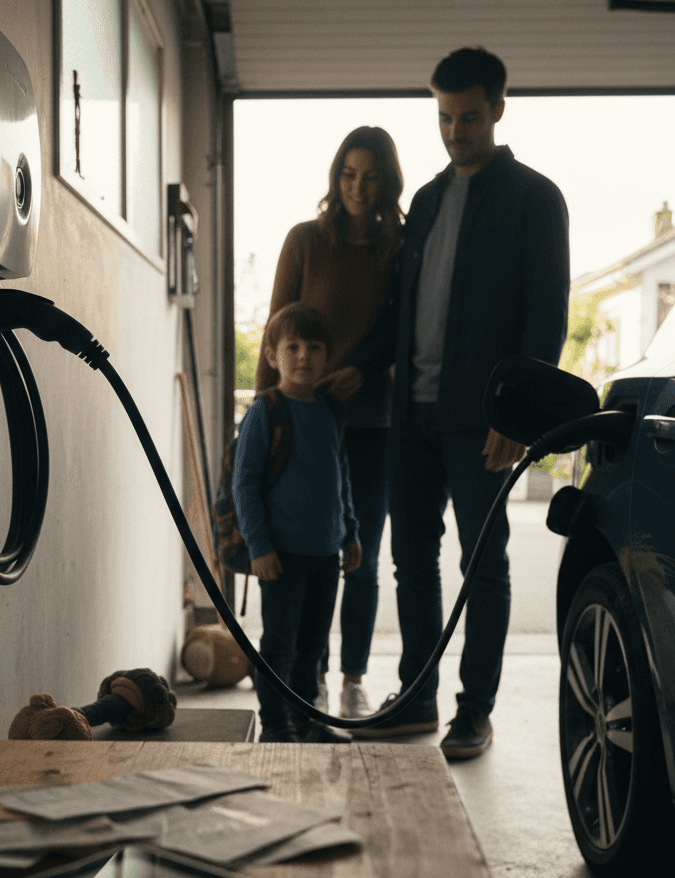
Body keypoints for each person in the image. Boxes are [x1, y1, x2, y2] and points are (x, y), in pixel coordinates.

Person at [351, 47, 570, 758]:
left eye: (468, 116)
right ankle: (416, 698)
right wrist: (354, 367)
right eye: (444, 116)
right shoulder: (428, 200)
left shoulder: (536, 198)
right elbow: (403, 307)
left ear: (498, 109)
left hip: (483, 425)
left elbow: (547, 315)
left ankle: (474, 710)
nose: (454, 131)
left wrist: (520, 415)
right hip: (409, 421)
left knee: (485, 565)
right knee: (411, 563)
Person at [255, 126, 403, 720]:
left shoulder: (399, 249)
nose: (358, 187)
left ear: (387, 182)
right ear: (334, 178)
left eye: (370, 176)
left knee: (357, 551)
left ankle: (352, 678)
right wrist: (264, 420)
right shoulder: (306, 242)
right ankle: (303, 677)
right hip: (299, 422)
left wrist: (363, 373)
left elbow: (399, 329)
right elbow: (276, 328)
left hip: (369, 424)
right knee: (299, 552)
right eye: (348, 174)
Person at [235, 302, 363, 743]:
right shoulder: (265, 413)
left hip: (327, 554)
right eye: (292, 347)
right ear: (273, 356)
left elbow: (340, 475)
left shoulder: (329, 411)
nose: (304, 356)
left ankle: (307, 720)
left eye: (314, 347)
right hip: (282, 556)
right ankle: (275, 724)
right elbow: (245, 484)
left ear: (328, 357)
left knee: (313, 647)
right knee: (278, 645)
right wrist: (259, 547)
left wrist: (352, 533)